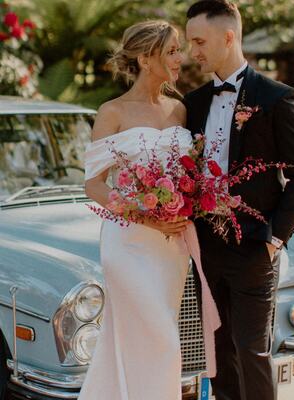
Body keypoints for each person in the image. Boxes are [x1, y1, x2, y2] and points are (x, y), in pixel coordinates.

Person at [184, 1, 294, 399]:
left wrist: (274, 239)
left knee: (253, 351)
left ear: (229, 37)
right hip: (205, 248)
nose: (193, 52)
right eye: (190, 42)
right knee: (218, 353)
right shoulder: (193, 103)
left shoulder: (277, 97)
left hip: (255, 247)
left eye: (200, 41)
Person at [79, 20, 192, 400]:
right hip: (128, 244)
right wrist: (142, 214)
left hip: (171, 248)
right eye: (173, 50)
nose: (182, 57)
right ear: (146, 58)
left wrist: (190, 203)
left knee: (143, 341)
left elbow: (189, 172)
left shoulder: (180, 110)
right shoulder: (112, 111)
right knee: (163, 341)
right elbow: (93, 184)